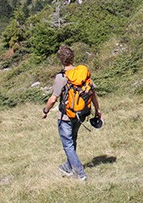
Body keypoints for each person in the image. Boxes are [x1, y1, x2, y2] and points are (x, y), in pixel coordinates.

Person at [42, 45, 101, 181]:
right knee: (72, 141)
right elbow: (92, 93)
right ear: (73, 58)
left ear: (61, 61)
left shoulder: (62, 77)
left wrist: (45, 111)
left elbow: (52, 99)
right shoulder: (83, 72)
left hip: (66, 116)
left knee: (68, 144)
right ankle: (67, 167)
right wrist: (97, 110)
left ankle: (80, 173)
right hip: (82, 114)